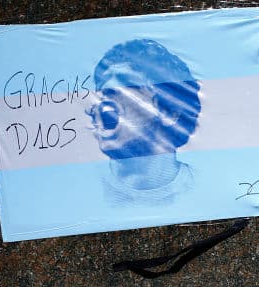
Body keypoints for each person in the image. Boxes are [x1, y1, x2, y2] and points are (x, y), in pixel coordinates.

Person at [86, 38, 202, 206]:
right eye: (102, 89)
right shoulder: (82, 192)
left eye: (127, 85)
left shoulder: (203, 188)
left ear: (169, 112)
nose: (103, 98)